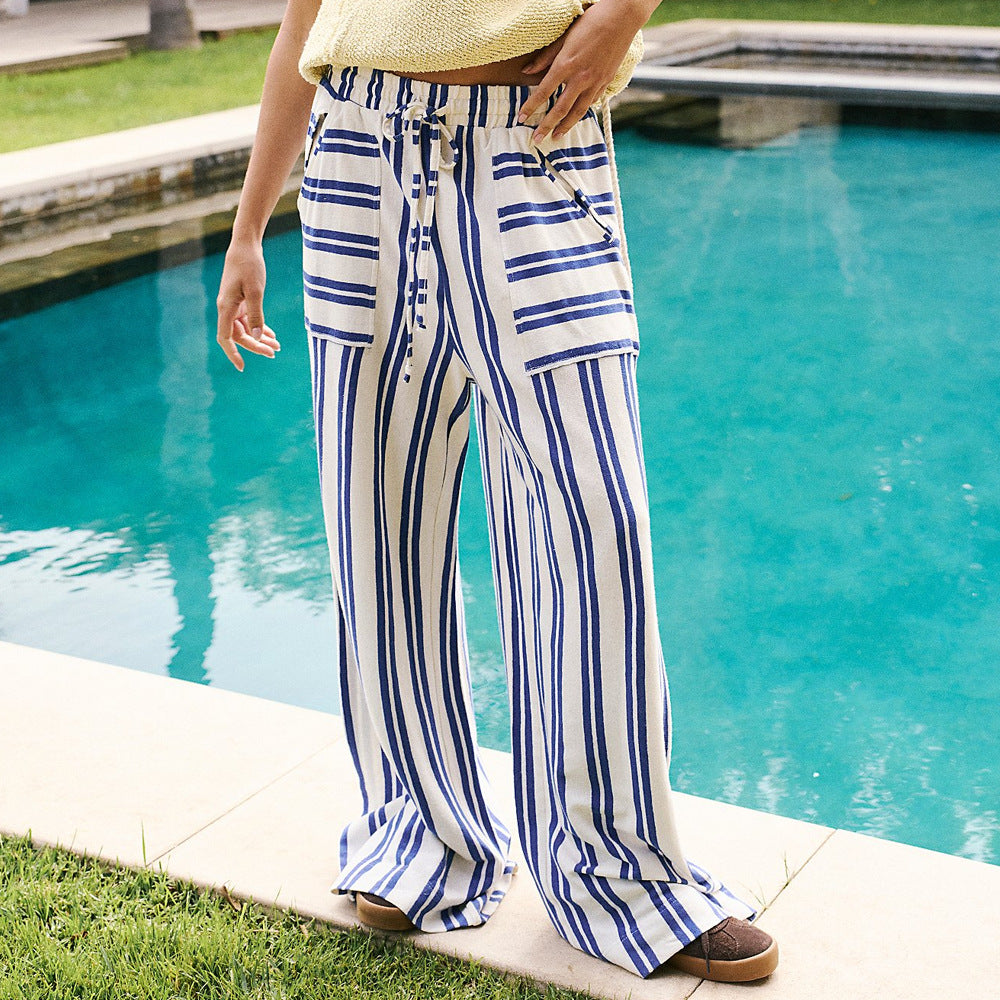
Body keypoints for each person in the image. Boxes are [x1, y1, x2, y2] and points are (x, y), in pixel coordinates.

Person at [215, 0, 779, 985]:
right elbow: (305, 21)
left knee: (595, 526)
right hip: (357, 160)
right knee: (375, 526)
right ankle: (419, 833)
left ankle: (619, 873)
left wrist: (623, 12)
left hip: (529, 146)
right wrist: (249, 225)